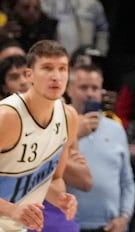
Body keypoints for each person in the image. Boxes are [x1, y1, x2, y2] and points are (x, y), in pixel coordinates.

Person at [0, 40, 79, 231]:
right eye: (47, 68)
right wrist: (12, 210)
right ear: (29, 75)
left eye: (62, 69)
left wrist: (61, 199)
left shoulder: (69, 117)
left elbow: (55, 179)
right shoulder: (8, 117)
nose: (56, 77)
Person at [66, 63, 135, 231]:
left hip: (109, 226)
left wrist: (124, 217)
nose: (90, 93)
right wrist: (75, 135)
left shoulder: (116, 129)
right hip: (68, 224)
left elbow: (127, 181)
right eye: (83, 87)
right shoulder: (58, 125)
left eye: (95, 88)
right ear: (69, 90)